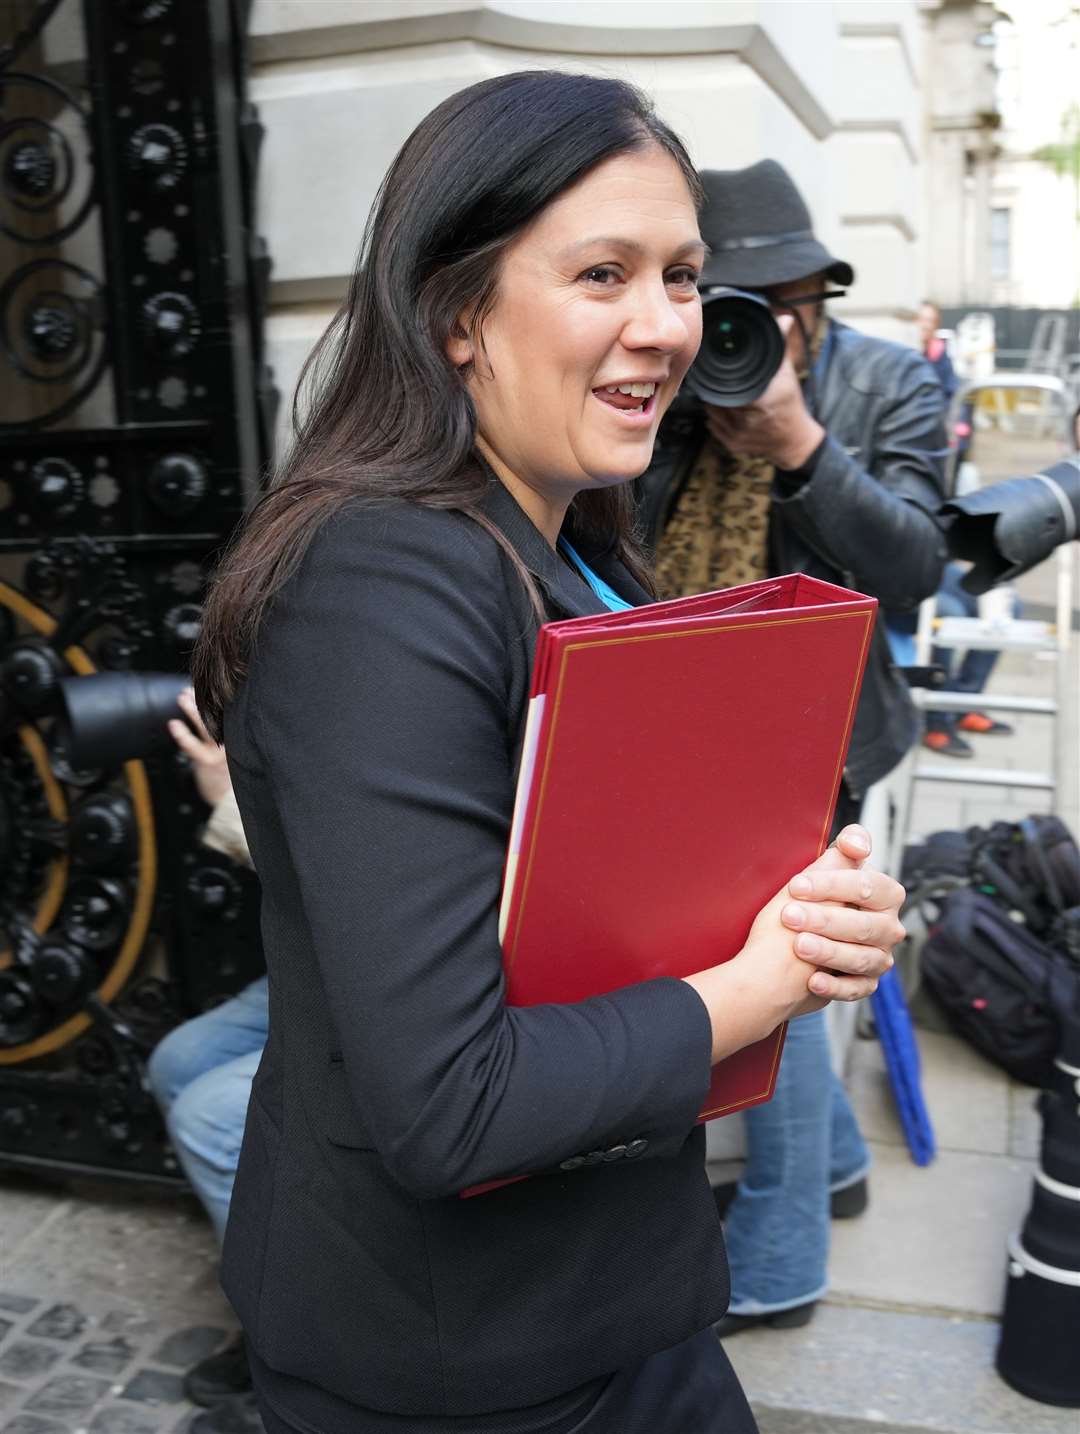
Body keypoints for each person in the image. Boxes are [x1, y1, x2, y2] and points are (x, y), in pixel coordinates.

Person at [192, 73, 904, 1434]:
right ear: (457, 312)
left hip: (609, 1297)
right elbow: (448, 1102)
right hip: (460, 1357)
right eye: (603, 273)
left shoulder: (568, 542)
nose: (665, 326)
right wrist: (761, 984)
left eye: (684, 276)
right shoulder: (380, 580)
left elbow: (598, 911)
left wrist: (806, 906)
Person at [636, 160, 946, 1339]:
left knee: (782, 976)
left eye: (780, 301)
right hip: (686, 725)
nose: (752, 329)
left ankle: (777, 1258)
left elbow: (916, 567)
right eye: (728, 300)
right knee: (785, 969)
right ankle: (832, 1173)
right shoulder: (669, 380)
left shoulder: (886, 381)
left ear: (817, 295)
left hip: (828, 734)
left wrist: (801, 442)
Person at [147, 688, 266, 1433]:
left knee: (213, 1119)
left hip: (404, 977)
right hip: (322, 969)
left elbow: (372, 872)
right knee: (178, 1062)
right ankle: (280, 1283)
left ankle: (304, 1348)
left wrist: (230, 800)